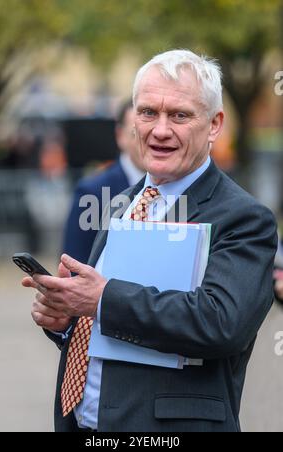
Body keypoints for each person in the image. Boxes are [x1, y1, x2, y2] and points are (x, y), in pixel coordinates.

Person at [22, 50, 277, 432]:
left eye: (179, 115)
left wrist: (103, 299)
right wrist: (69, 320)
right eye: (147, 113)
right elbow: (116, 326)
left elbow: (221, 323)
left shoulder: (242, 217)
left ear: (214, 124)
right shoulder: (125, 202)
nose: (159, 130)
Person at [63, 100, 145, 264]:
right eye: (136, 134)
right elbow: (74, 263)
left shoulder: (177, 186)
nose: (147, 141)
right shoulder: (93, 192)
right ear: (119, 136)